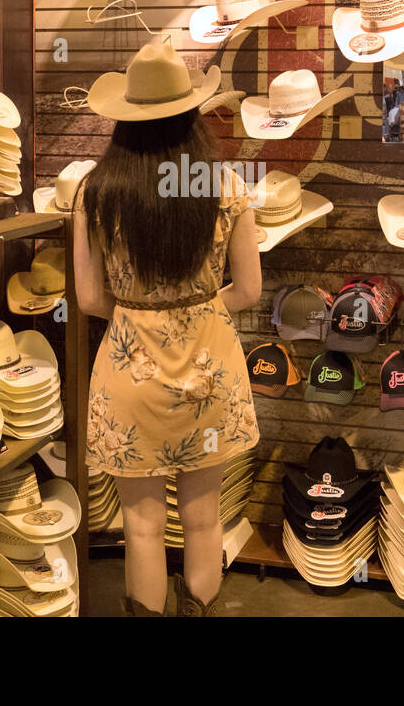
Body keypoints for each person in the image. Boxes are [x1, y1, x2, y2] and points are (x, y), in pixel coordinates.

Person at [73, 42, 261, 616]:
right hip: (210, 374)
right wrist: (197, 312)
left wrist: (141, 312)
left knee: (142, 525)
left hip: (130, 377)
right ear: (191, 114)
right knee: (204, 520)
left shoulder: (95, 193)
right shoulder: (226, 187)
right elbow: (249, 291)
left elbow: (87, 299)